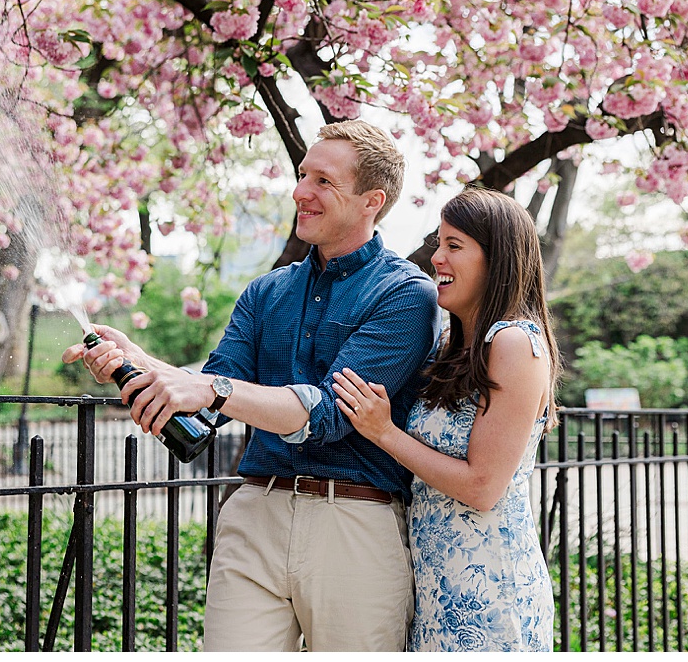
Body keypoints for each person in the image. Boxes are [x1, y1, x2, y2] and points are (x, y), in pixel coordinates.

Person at [67, 121, 439, 652]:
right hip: (254, 514)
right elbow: (213, 394)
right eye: (301, 174)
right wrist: (137, 361)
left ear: (370, 201)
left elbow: (332, 413)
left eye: (323, 181)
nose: (300, 192)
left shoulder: (405, 295)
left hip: (354, 526)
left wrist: (212, 389)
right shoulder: (267, 291)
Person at [332, 189, 558, 652]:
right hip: (438, 587)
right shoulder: (449, 348)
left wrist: (385, 432)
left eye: (454, 246)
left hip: (491, 592)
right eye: (438, 243)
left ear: (498, 259)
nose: (436, 258)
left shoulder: (514, 343)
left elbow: (482, 486)